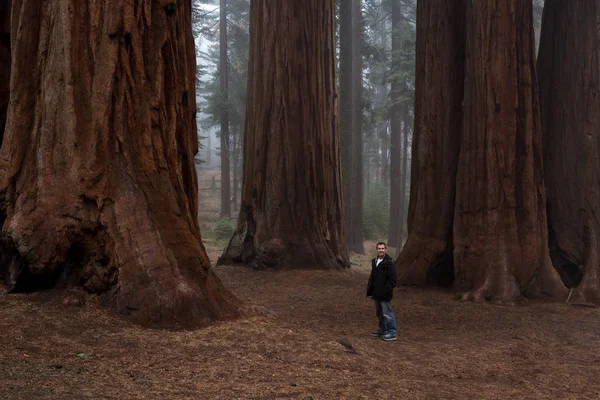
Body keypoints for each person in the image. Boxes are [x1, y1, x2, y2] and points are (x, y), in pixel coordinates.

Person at [366, 242, 397, 341]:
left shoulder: (389, 263)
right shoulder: (375, 261)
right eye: (379, 248)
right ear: (377, 250)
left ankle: (392, 332)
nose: (381, 250)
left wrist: (386, 290)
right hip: (376, 293)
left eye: (383, 248)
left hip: (385, 293)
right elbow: (373, 277)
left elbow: (392, 279)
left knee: (387, 313)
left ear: (386, 250)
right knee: (379, 312)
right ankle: (382, 330)